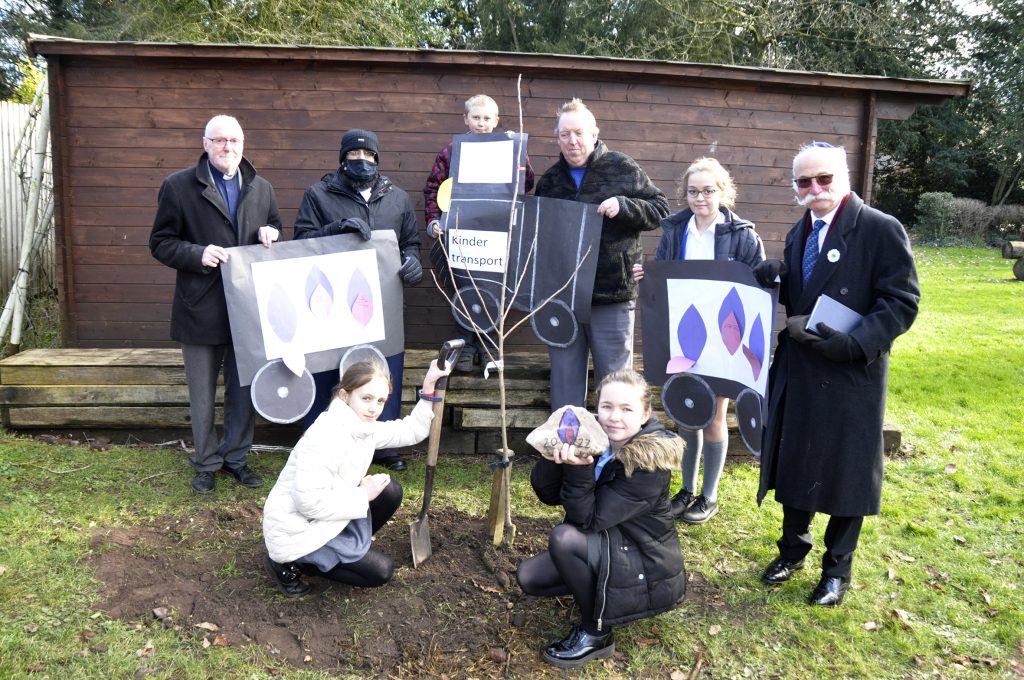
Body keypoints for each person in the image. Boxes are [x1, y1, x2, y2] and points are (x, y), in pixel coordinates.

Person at [752, 142, 920, 607]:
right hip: (803, 366)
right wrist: (778, 277)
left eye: (824, 178)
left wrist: (858, 342)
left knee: (845, 470)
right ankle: (792, 551)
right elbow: (809, 290)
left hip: (852, 373)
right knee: (797, 460)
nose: (815, 189)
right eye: (804, 182)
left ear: (843, 177)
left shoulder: (880, 229)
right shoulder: (798, 231)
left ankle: (837, 570)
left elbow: (901, 302)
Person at [517, 369, 686, 669]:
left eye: (626, 409)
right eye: (606, 407)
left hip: (644, 563)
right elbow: (547, 494)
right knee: (530, 578)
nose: (614, 417)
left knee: (564, 538)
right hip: (610, 543)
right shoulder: (596, 440)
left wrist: (580, 469)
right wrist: (551, 457)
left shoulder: (649, 462)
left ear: (645, 413)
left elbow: (588, 519)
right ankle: (596, 592)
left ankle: (596, 633)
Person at [149, 114, 282, 494]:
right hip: (200, 307)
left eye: (234, 140)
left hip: (248, 310)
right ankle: (206, 461)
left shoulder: (262, 188)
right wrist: (196, 253)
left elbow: (274, 228)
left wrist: (271, 232)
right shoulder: (178, 186)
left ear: (243, 143)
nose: (228, 147)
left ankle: (236, 458)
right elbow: (160, 242)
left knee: (243, 391)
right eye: (220, 140)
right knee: (202, 393)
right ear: (205, 144)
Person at [633, 158, 765, 525]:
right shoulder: (676, 230)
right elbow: (662, 273)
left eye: (708, 190)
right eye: (693, 191)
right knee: (687, 413)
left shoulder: (743, 235)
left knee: (715, 414)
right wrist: (648, 274)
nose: (700, 198)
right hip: (686, 336)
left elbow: (756, 284)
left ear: (723, 192)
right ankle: (687, 489)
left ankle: (709, 496)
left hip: (724, 340)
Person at [262, 357, 452, 596]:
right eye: (366, 398)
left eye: (380, 401)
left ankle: (346, 544)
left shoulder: (362, 427)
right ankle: (291, 563)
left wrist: (428, 386)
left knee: (390, 490)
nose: (374, 408)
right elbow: (307, 503)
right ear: (344, 396)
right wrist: (363, 494)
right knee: (381, 571)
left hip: (325, 514)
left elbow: (410, 430)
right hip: (295, 529)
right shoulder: (327, 435)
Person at [294, 128, 422, 471]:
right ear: (342, 158)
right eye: (354, 155)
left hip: (383, 303)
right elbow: (302, 241)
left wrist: (412, 262)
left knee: (381, 372)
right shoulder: (318, 194)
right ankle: (319, 445)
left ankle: (383, 449)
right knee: (327, 375)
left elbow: (410, 242)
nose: (361, 161)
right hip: (332, 304)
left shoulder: (397, 197)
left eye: (368, 156)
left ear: (377, 159)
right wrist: (333, 230)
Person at [534, 98, 669, 410]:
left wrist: (625, 206)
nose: (572, 141)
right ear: (557, 138)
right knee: (565, 380)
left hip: (613, 295)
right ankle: (568, 452)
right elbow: (539, 238)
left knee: (616, 382)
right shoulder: (550, 181)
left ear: (594, 134)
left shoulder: (622, 167)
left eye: (579, 133)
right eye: (565, 135)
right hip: (564, 299)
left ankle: (617, 454)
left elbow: (661, 209)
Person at [423, 94, 535, 372]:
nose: (481, 123)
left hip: (497, 234)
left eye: (487, 118)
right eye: (476, 117)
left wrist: (517, 149)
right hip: (461, 233)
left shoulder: (507, 147)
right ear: (466, 119)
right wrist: (434, 221)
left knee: (492, 289)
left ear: (496, 121)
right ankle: (464, 346)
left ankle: (489, 348)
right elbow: (433, 188)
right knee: (463, 287)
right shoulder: (451, 151)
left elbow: (527, 183)